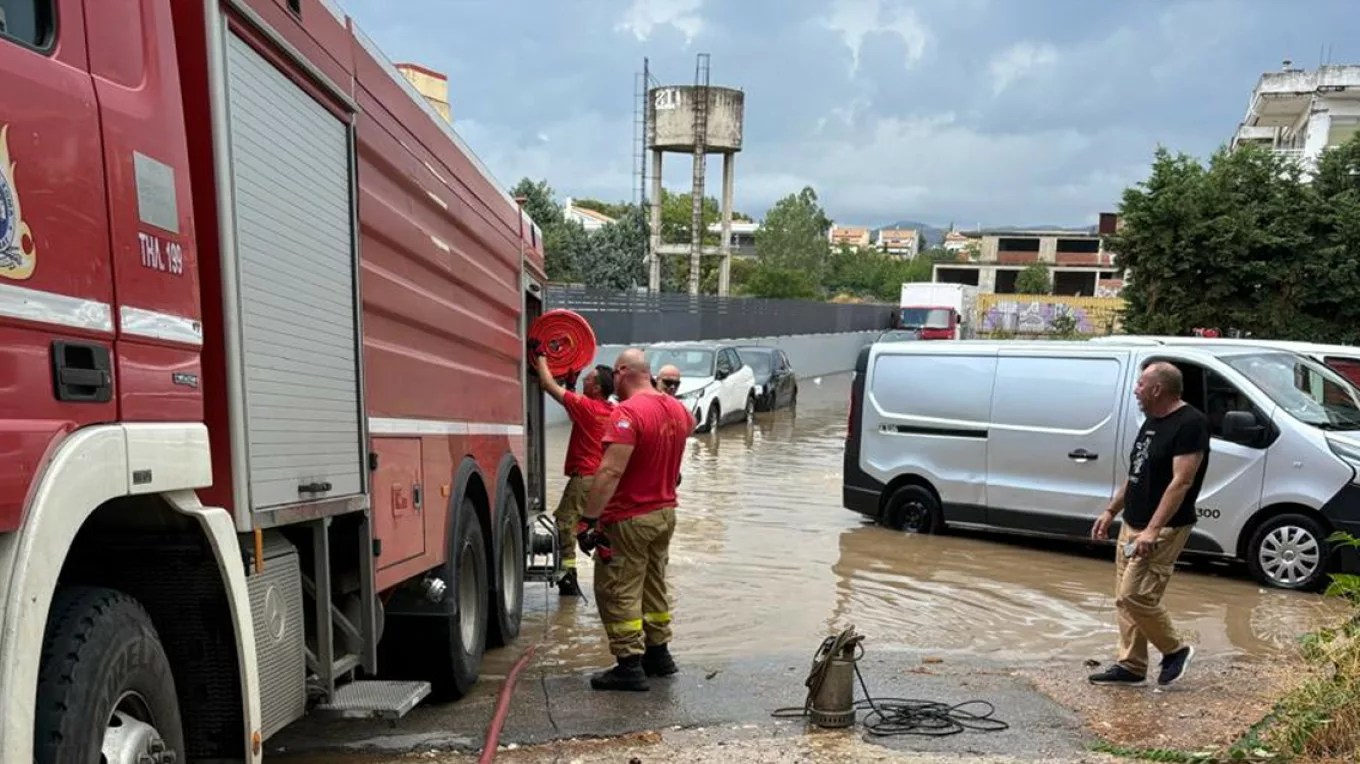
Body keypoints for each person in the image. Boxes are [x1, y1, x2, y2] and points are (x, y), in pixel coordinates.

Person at [576, 348, 694, 691]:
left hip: (629, 516)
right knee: (654, 583)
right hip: (664, 513)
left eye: (614, 373)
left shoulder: (627, 413)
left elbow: (610, 470)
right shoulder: (678, 410)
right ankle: (658, 654)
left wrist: (588, 521)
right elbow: (674, 460)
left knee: (618, 588)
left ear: (624, 372)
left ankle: (629, 665)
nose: (611, 379)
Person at [1089, 361, 1209, 687]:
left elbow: (1181, 482)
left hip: (1163, 528)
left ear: (1158, 389)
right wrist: (1111, 511)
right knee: (1122, 598)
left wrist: (1154, 529)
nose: (1135, 390)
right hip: (1132, 521)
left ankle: (1175, 649)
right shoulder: (1152, 422)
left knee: (1135, 595)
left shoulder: (1190, 424)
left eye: (1141, 384)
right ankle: (1131, 665)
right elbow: (1137, 475)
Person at [532, 352, 614, 597]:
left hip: (584, 479)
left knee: (564, 524)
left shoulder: (588, 407)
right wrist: (571, 384)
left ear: (597, 387)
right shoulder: (610, 410)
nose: (583, 381)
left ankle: (569, 577)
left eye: (587, 379)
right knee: (599, 527)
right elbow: (576, 414)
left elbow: (546, 384)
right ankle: (609, 576)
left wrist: (541, 356)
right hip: (603, 480)